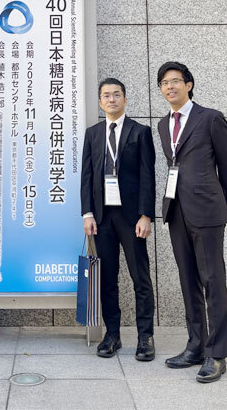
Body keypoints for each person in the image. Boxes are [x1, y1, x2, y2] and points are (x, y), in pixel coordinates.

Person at [157, 61, 227, 383]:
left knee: (213, 280)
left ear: (188, 85)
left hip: (207, 212)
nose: (169, 87)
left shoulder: (210, 118)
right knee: (188, 279)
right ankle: (196, 345)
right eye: (164, 83)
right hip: (176, 210)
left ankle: (218, 353)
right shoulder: (162, 124)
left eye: (175, 81)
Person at [81, 78, 156, 361]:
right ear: (100, 102)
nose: (111, 100)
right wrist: (87, 213)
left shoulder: (140, 132)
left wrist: (146, 215)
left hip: (131, 217)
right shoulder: (93, 133)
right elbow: (87, 175)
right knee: (107, 279)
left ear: (125, 99)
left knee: (140, 277)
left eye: (116, 95)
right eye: (106, 96)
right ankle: (112, 334)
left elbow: (148, 175)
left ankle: (145, 337)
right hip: (102, 217)